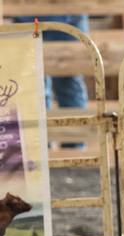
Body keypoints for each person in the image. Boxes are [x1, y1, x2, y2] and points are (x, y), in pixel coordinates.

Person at [14, 15, 89, 149]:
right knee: (34, 87)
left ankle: (73, 150)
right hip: (30, 19)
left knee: (68, 84)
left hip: (67, 18)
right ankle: (43, 153)